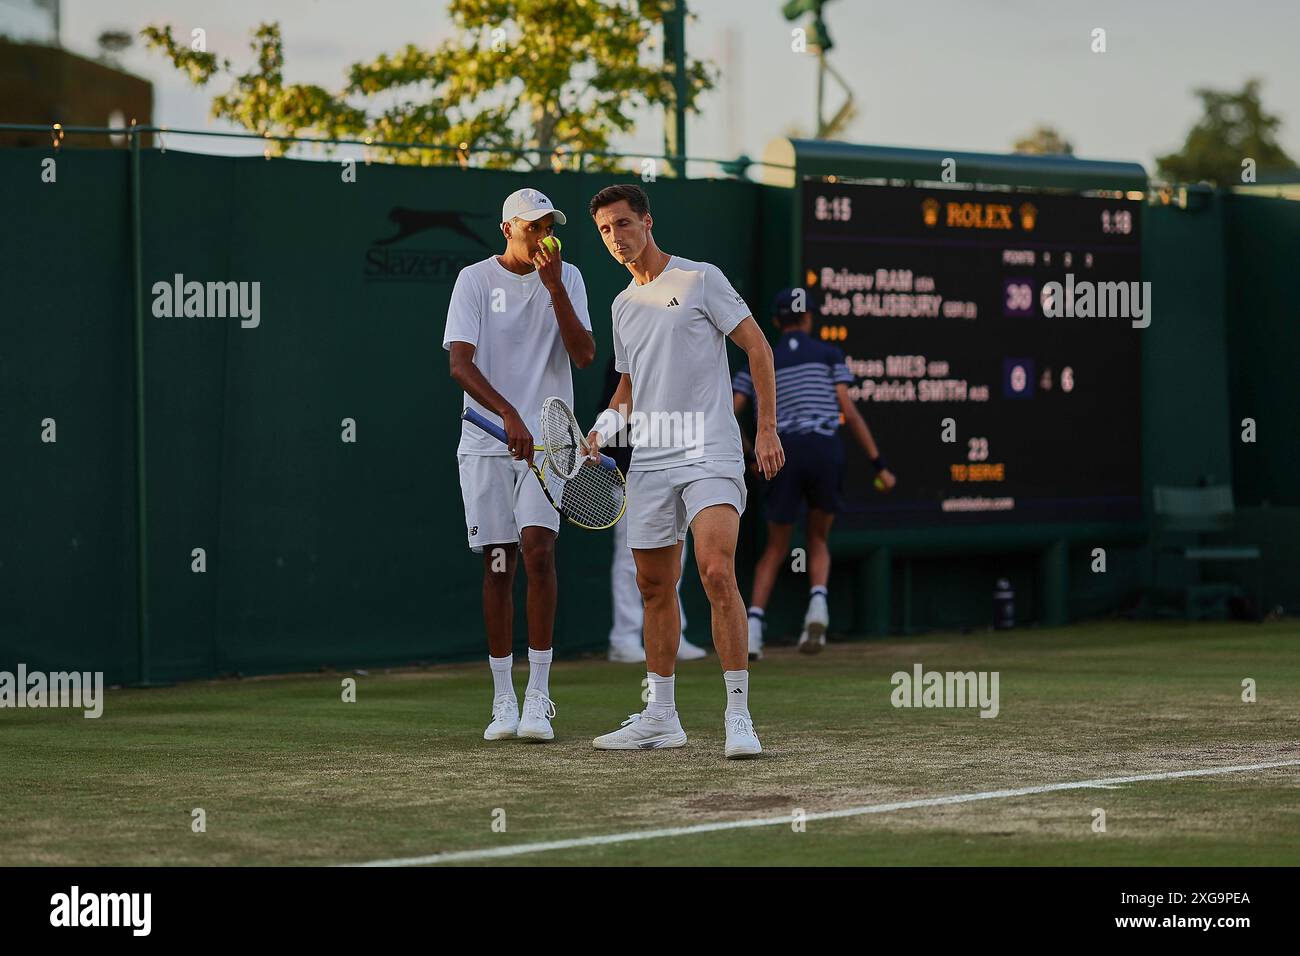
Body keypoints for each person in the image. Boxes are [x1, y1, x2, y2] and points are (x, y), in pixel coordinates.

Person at [583, 184, 783, 759]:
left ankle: (739, 715)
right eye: (604, 230)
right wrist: (602, 430)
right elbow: (627, 387)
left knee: (717, 571)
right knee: (653, 586)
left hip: (710, 450)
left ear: (647, 222)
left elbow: (758, 349)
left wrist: (765, 428)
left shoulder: (700, 279)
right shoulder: (623, 306)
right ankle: (661, 716)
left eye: (623, 224)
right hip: (650, 456)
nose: (615, 238)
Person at [443, 187, 595, 742]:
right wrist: (507, 412)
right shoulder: (474, 281)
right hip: (487, 440)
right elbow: (460, 364)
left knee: (539, 552)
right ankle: (503, 697)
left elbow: (583, 354)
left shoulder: (568, 277)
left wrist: (554, 287)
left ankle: (539, 695)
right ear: (507, 229)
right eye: (532, 227)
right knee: (499, 564)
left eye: (548, 225)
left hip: (551, 443)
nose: (542, 235)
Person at [732, 288, 896, 659]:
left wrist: (752, 456)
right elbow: (848, 413)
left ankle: (753, 632)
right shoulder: (828, 354)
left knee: (775, 547)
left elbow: (731, 409)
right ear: (807, 319)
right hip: (825, 452)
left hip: (783, 453)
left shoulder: (762, 357)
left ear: (776, 322)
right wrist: (879, 466)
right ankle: (817, 610)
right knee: (818, 539)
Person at [600, 356, 709, 663]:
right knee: (630, 557)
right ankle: (624, 637)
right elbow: (618, 410)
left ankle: (674, 634)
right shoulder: (625, 357)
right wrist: (621, 463)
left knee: (676, 553)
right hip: (631, 471)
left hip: (675, 466)